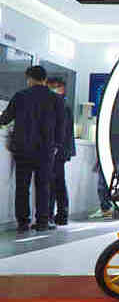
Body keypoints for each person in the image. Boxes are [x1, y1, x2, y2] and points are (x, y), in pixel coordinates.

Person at [0, 66, 65, 232]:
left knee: (22, 187)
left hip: (23, 148)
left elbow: (6, 118)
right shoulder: (56, 99)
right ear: (44, 79)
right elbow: (61, 125)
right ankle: (42, 221)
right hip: (46, 149)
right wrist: (57, 145)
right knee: (43, 186)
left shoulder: (20, 96)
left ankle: (23, 222)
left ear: (29, 78)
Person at [47, 77, 75, 226]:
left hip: (59, 150)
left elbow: (61, 130)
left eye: (53, 86)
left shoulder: (61, 105)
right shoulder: (63, 104)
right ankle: (60, 214)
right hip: (62, 149)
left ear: (62, 88)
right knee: (58, 182)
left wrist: (56, 146)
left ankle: (55, 214)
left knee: (55, 182)